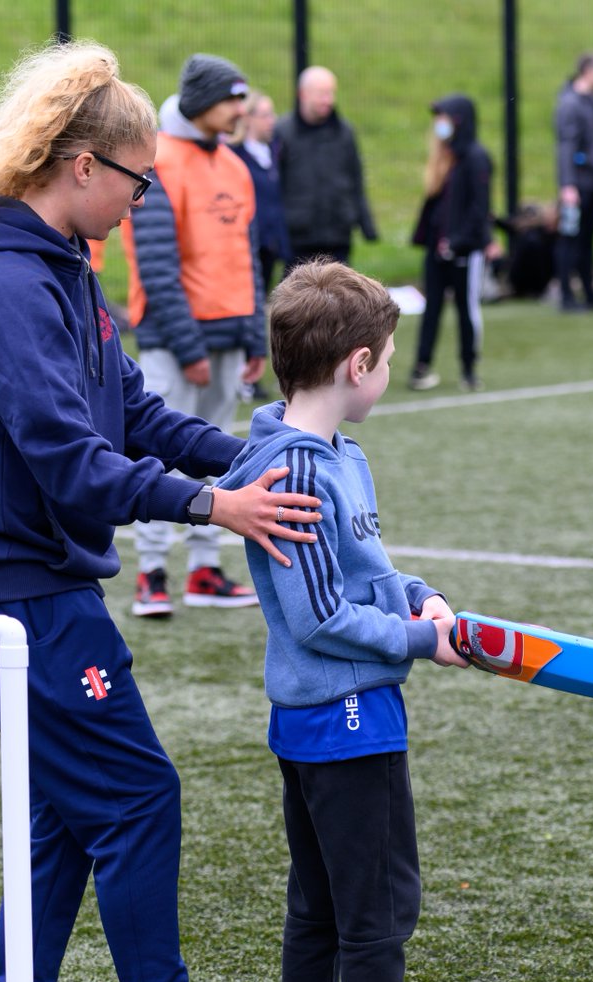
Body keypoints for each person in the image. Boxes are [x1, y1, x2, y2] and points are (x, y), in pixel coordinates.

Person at [0, 38, 323, 982]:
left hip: (41, 582)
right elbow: (67, 458)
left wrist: (246, 456)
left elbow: (127, 417)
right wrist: (212, 511)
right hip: (19, 592)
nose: (144, 202)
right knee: (137, 798)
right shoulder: (3, 281)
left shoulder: (62, 269)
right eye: (139, 181)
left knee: (63, 817)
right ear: (82, 165)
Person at [217, 260, 480, 982]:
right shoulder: (295, 471)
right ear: (357, 364)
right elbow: (323, 615)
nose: (393, 368)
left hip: (335, 715)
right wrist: (417, 640)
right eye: (392, 354)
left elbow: (364, 573)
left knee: (323, 903)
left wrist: (419, 596)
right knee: (373, 907)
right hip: (344, 717)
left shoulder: (336, 456)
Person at [121, 53, 266, 619]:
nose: (241, 109)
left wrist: (255, 337)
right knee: (160, 453)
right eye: (232, 98)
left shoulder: (234, 163)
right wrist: (189, 346)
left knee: (220, 455)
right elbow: (156, 264)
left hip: (229, 337)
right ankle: (152, 573)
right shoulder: (159, 161)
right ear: (204, 102)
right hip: (180, 341)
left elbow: (246, 258)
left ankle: (206, 570)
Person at [408, 95, 495, 392]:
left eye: (445, 117)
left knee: (466, 308)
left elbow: (478, 210)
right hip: (437, 249)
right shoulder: (444, 156)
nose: (440, 124)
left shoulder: (475, 157)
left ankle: (469, 368)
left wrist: (458, 242)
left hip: (464, 251)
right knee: (431, 307)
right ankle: (421, 366)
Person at [274, 67, 378, 269]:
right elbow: (276, 183)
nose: (328, 100)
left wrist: (367, 226)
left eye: (331, 93)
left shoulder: (344, 131)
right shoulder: (284, 132)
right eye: (321, 94)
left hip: (337, 235)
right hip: (299, 237)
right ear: (303, 94)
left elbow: (355, 178)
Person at [554, 52, 593, 313]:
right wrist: (568, 185)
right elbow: (566, 146)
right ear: (589, 71)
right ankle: (566, 296)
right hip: (578, 185)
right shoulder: (570, 104)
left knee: (587, 239)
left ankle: (590, 293)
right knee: (570, 240)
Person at [230, 92, 290, 294]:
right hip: (248, 243)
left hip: (272, 241)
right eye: (265, 115)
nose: (271, 121)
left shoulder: (276, 151)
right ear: (248, 118)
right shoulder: (235, 154)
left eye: (272, 115)